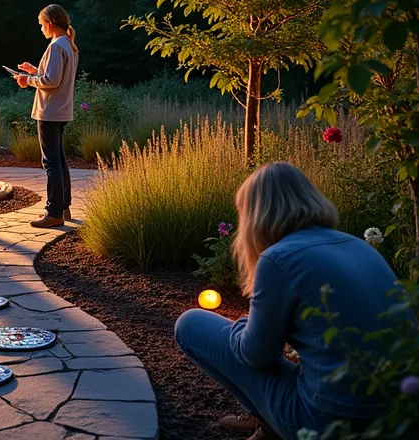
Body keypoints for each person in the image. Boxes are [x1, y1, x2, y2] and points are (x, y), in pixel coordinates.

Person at [174, 162, 406, 440]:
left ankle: (269, 422)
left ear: (255, 215)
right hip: (399, 417)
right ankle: (266, 421)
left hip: (327, 424)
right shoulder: (357, 245)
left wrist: (243, 324)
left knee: (190, 323)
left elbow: (255, 355)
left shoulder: (279, 258)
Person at [15, 3, 79, 229]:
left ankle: (54, 213)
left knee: (51, 162)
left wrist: (27, 80)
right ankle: (64, 206)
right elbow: (53, 76)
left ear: (50, 24)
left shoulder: (56, 46)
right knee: (59, 160)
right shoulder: (68, 45)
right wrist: (34, 71)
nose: (41, 29)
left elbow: (52, 81)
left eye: (42, 25)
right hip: (61, 111)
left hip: (50, 111)